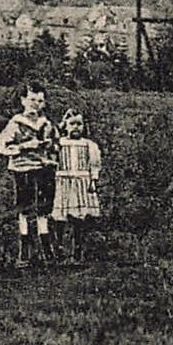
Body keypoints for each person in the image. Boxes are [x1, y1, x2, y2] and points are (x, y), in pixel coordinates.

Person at [0, 82, 60, 268]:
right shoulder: (15, 123)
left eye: (40, 101)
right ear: (23, 100)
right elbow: (2, 146)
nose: (36, 104)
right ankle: (25, 249)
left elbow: (57, 145)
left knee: (44, 207)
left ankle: (46, 248)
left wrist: (51, 147)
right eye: (32, 100)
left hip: (44, 167)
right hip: (23, 168)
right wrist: (24, 147)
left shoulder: (47, 123)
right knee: (25, 207)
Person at [51, 108, 103, 263]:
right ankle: (59, 249)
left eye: (79, 124)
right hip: (62, 182)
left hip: (82, 183)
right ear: (65, 125)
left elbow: (94, 164)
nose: (75, 127)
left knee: (79, 218)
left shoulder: (88, 145)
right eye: (72, 124)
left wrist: (93, 181)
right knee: (60, 218)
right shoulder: (59, 143)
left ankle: (77, 251)